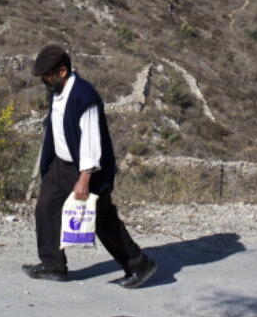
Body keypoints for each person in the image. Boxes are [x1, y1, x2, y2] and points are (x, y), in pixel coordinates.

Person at [22, 44, 158, 288]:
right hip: (60, 165)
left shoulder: (85, 96)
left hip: (86, 170)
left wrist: (84, 178)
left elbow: (91, 141)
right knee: (46, 208)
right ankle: (53, 265)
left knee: (102, 219)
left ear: (62, 72)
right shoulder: (56, 91)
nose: (44, 81)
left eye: (47, 76)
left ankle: (139, 265)